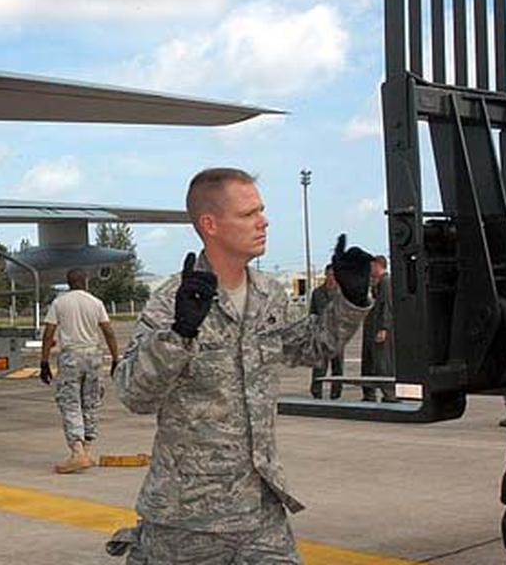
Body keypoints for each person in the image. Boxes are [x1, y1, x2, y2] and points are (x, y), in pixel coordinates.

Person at [108, 168, 373, 564]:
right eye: (249, 214)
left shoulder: (269, 294)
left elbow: (309, 348)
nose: (263, 221)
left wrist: (350, 301)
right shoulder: (172, 300)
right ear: (210, 224)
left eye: (261, 211)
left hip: (261, 512)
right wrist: (180, 332)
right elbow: (135, 394)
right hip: (186, 520)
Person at [40, 268, 120, 474]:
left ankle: (77, 452)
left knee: (70, 402)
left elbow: (49, 333)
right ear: (85, 281)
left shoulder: (60, 303)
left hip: (71, 356)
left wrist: (44, 361)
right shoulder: (96, 302)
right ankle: (87, 449)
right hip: (93, 356)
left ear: (68, 282)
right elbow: (108, 331)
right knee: (91, 402)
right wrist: (115, 358)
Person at [361, 255, 397, 402]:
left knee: (383, 362)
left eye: (371, 266)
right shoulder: (375, 284)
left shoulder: (386, 283)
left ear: (378, 265)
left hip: (379, 328)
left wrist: (384, 328)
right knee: (369, 362)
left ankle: (389, 393)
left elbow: (387, 307)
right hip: (371, 326)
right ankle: (369, 394)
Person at [309, 264, 343, 400]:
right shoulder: (317, 293)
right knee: (319, 365)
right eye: (329, 275)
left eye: (334, 275)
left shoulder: (342, 293)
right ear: (325, 275)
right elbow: (312, 313)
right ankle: (316, 391)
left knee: (338, 366)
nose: (332, 278)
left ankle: (336, 392)